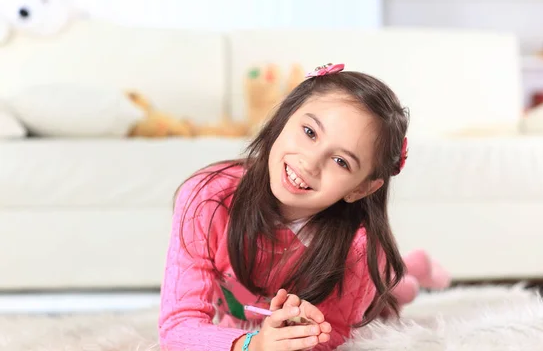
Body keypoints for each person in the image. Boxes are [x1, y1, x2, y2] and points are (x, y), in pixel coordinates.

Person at [158, 63, 410, 351]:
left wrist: (303, 334)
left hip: (372, 284)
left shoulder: (361, 248)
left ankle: (409, 276)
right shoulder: (208, 198)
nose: (310, 163)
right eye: (309, 132)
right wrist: (252, 345)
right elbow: (177, 327)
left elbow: (336, 334)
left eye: (341, 162)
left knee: (389, 295)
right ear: (285, 115)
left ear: (360, 188)